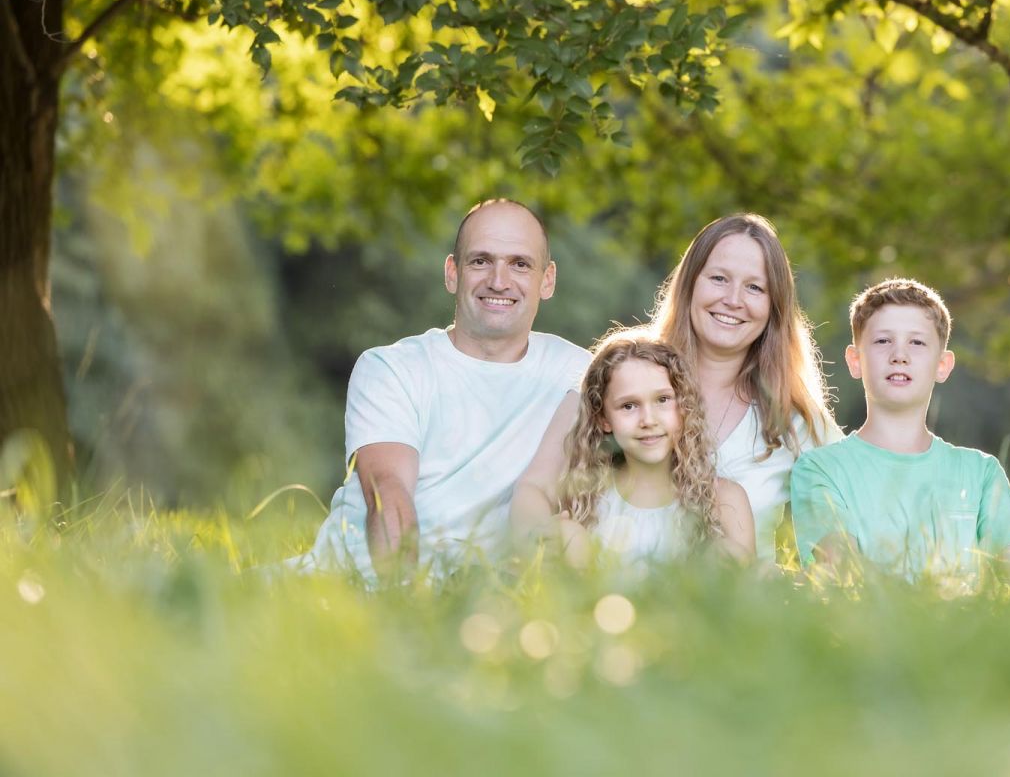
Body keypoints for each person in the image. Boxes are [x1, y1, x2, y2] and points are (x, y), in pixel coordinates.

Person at [299, 199, 590, 585]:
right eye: (480, 261)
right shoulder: (392, 368)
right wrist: (401, 593)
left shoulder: (579, 372)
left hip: (482, 599)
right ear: (452, 273)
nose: (499, 280)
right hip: (349, 584)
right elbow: (388, 491)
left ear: (547, 279)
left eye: (520, 263)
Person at [790, 278, 1010, 578]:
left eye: (917, 342)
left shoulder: (980, 472)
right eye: (883, 341)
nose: (900, 355)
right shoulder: (820, 469)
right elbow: (843, 573)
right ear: (855, 361)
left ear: (942, 365)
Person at [649, 214, 842, 562]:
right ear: (690, 284)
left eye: (755, 287)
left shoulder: (796, 420)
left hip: (744, 611)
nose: (734, 299)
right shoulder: (631, 388)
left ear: (774, 307)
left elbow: (846, 537)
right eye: (719, 278)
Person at [550, 332, 755, 565]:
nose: (648, 420)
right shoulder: (585, 501)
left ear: (684, 406)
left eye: (663, 400)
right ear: (603, 419)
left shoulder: (724, 500)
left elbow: (745, 594)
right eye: (629, 406)